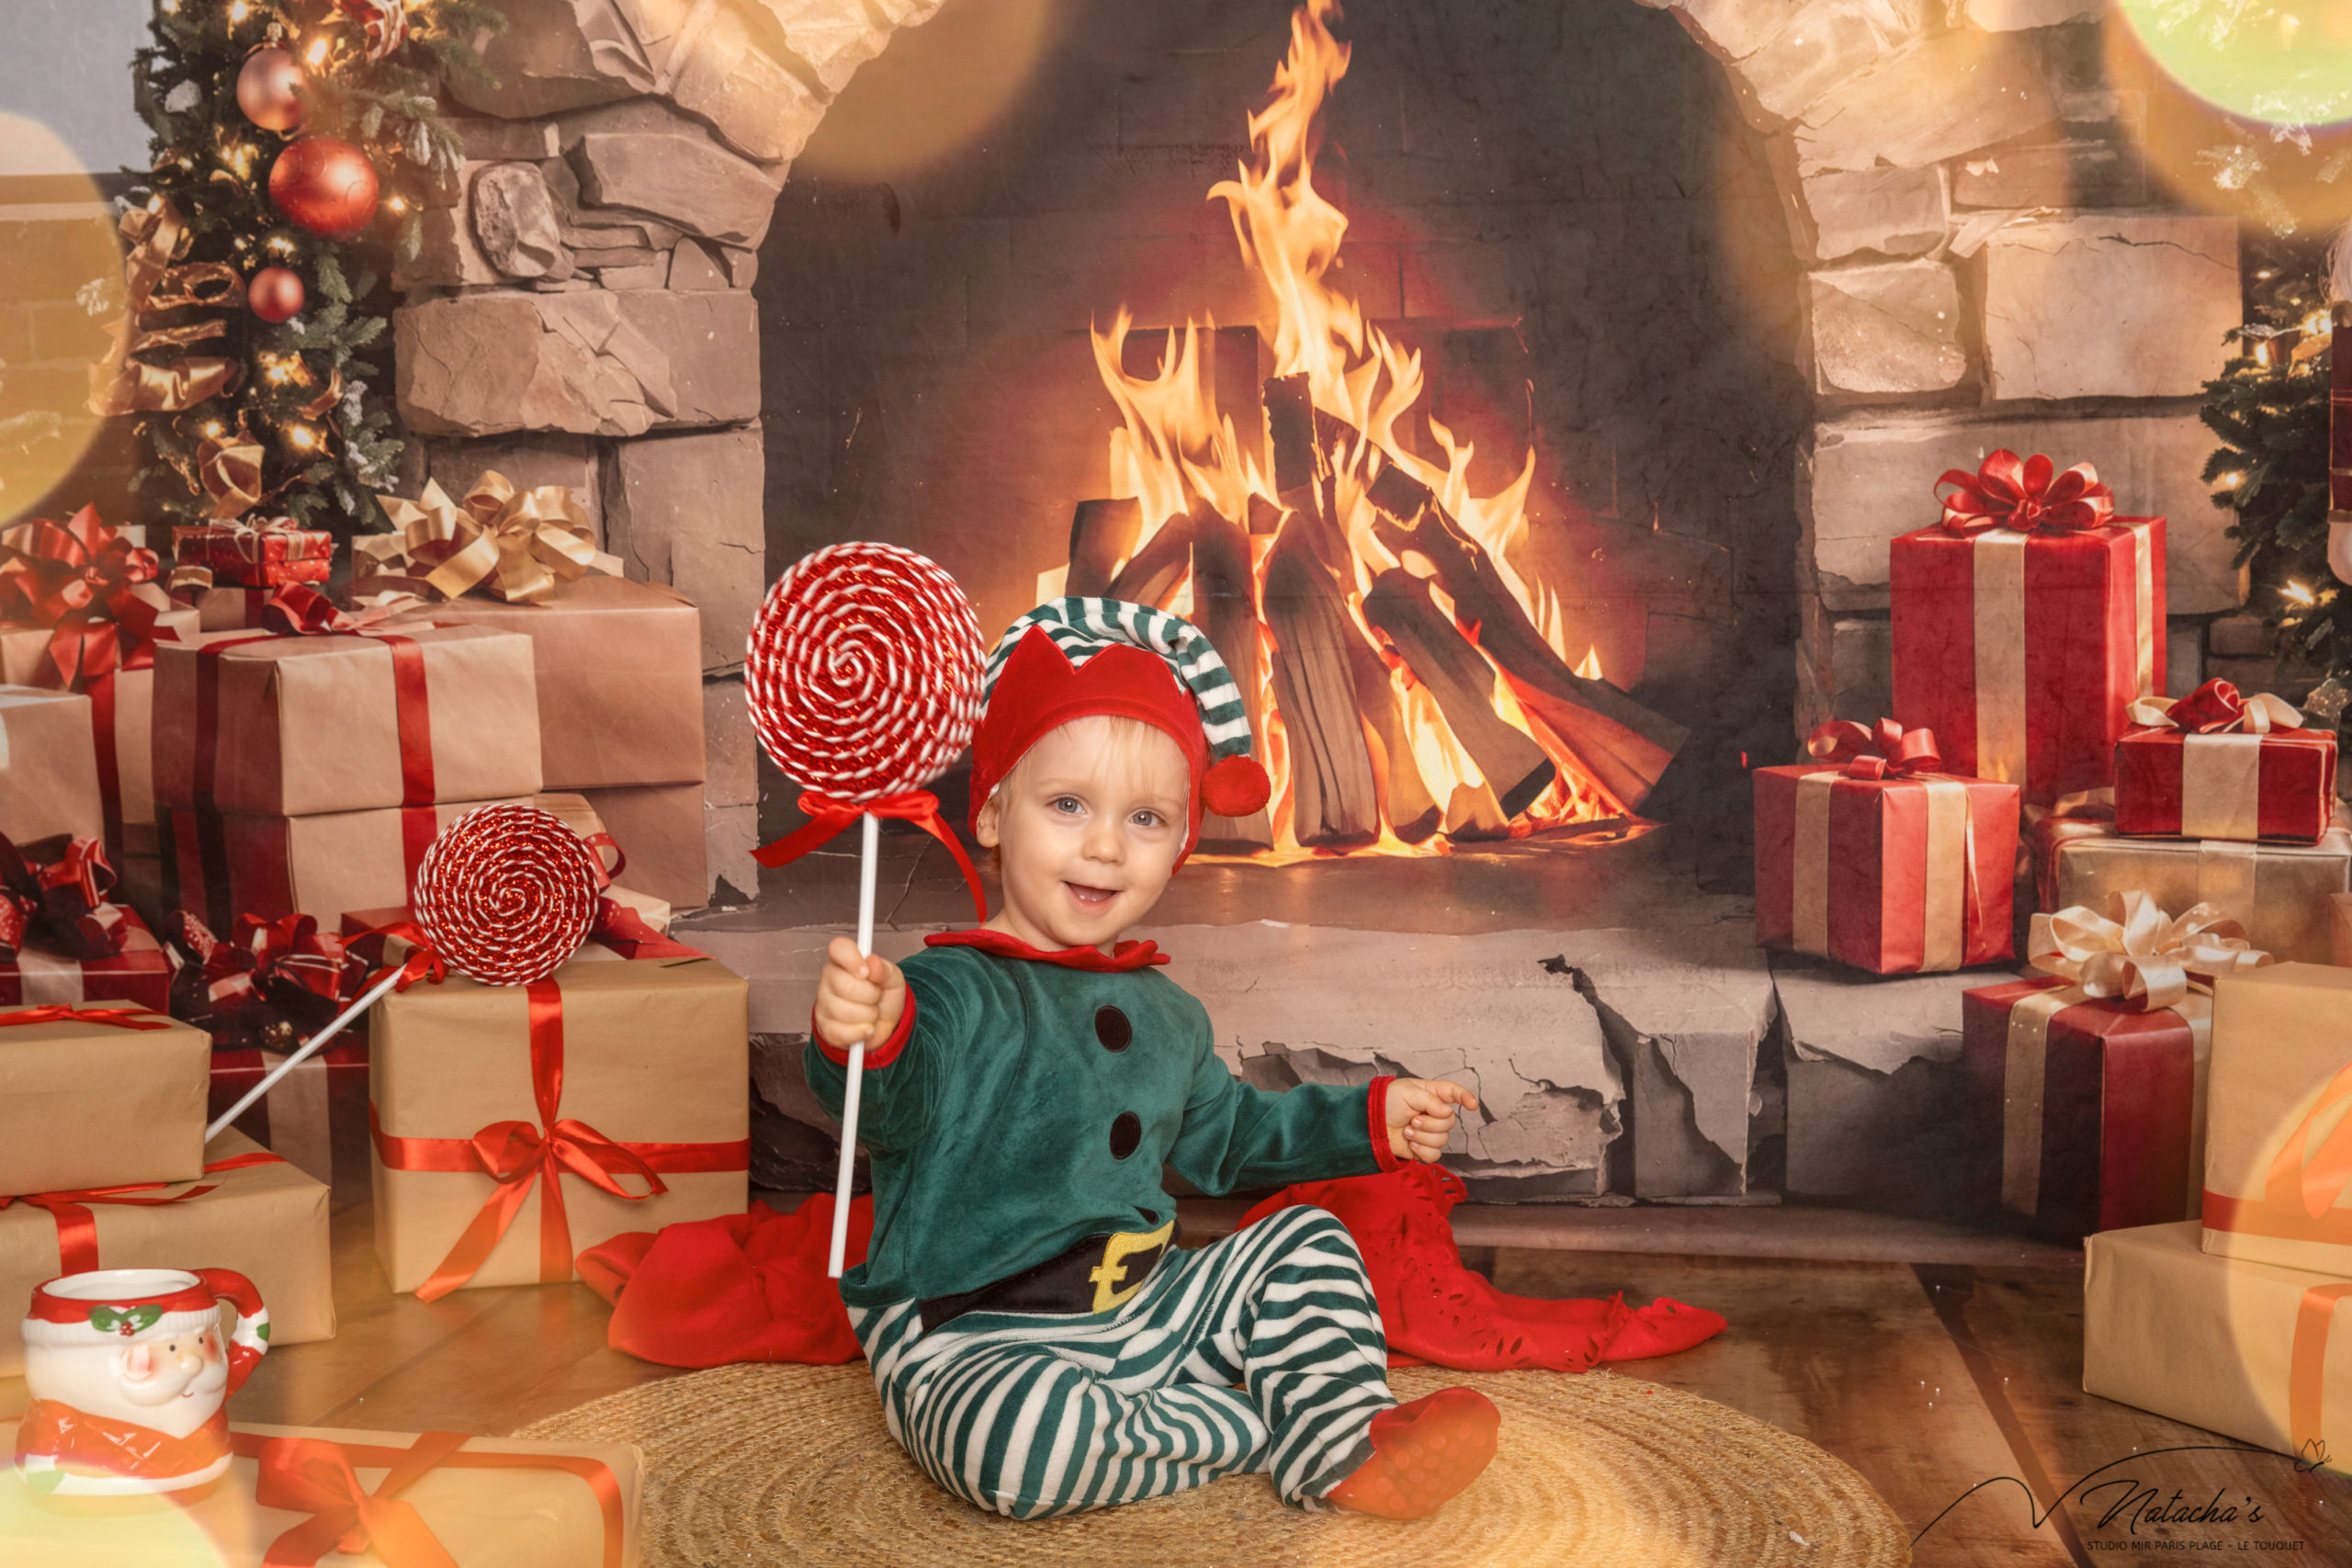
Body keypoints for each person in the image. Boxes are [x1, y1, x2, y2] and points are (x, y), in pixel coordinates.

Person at [808, 596, 1498, 1520]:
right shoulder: (948, 989)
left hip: (1149, 1307)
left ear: (1179, 844)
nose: (1104, 845)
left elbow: (1233, 1137)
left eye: (1144, 818)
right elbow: (888, 1101)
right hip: (975, 1333)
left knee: (1310, 1241)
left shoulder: (1168, 1014)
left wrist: (1371, 1117)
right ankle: (1259, 1430)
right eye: (1067, 805)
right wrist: (867, 1034)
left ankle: (1339, 1437)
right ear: (994, 813)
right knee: (1019, 1442)